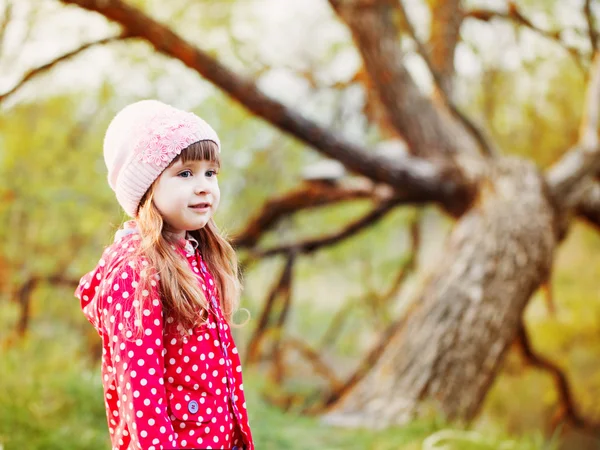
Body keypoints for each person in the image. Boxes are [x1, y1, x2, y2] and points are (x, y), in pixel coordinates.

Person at [75, 100, 254, 450]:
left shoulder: (195, 253)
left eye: (210, 172)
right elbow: (142, 398)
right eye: (185, 173)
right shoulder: (135, 274)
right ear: (147, 188)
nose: (203, 186)